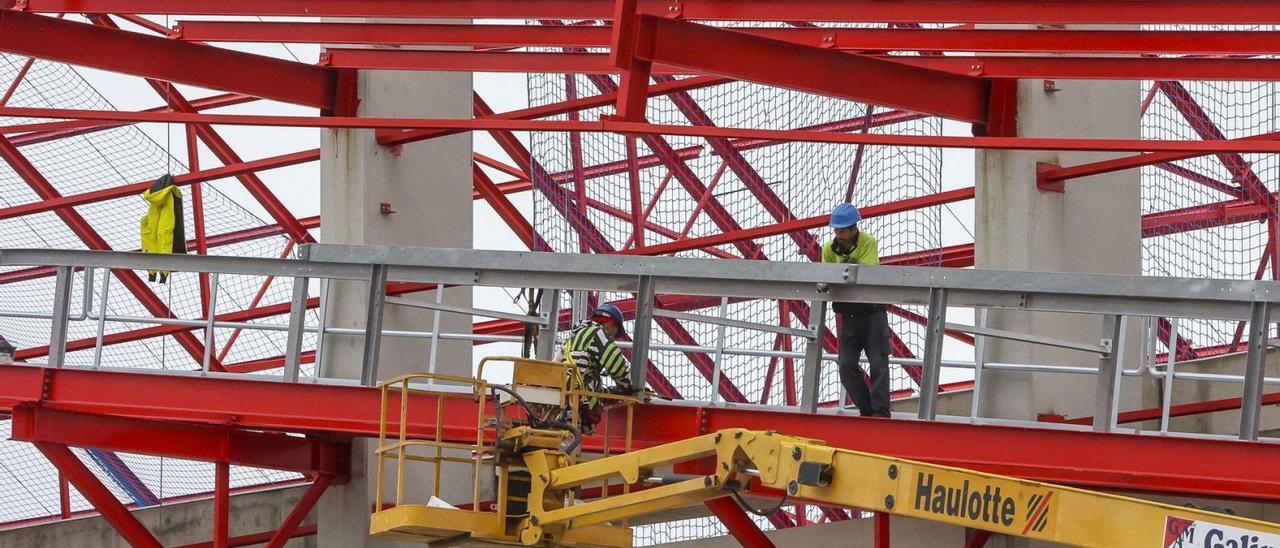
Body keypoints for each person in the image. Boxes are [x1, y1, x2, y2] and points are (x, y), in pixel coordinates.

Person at [822, 203, 892, 417]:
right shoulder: (828, 249)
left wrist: (842, 272)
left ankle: (880, 413)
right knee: (845, 366)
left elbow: (866, 272)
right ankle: (867, 409)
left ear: (854, 229)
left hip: (872, 312)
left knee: (879, 364)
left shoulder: (868, 242)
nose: (839, 234)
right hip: (849, 314)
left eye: (842, 230)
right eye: (836, 230)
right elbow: (827, 276)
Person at [562, 304, 633, 434]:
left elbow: (584, 372)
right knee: (571, 441)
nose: (612, 338)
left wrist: (609, 392)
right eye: (614, 333)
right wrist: (627, 388)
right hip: (577, 396)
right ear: (611, 324)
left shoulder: (574, 336)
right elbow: (616, 365)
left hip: (564, 393)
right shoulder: (597, 333)